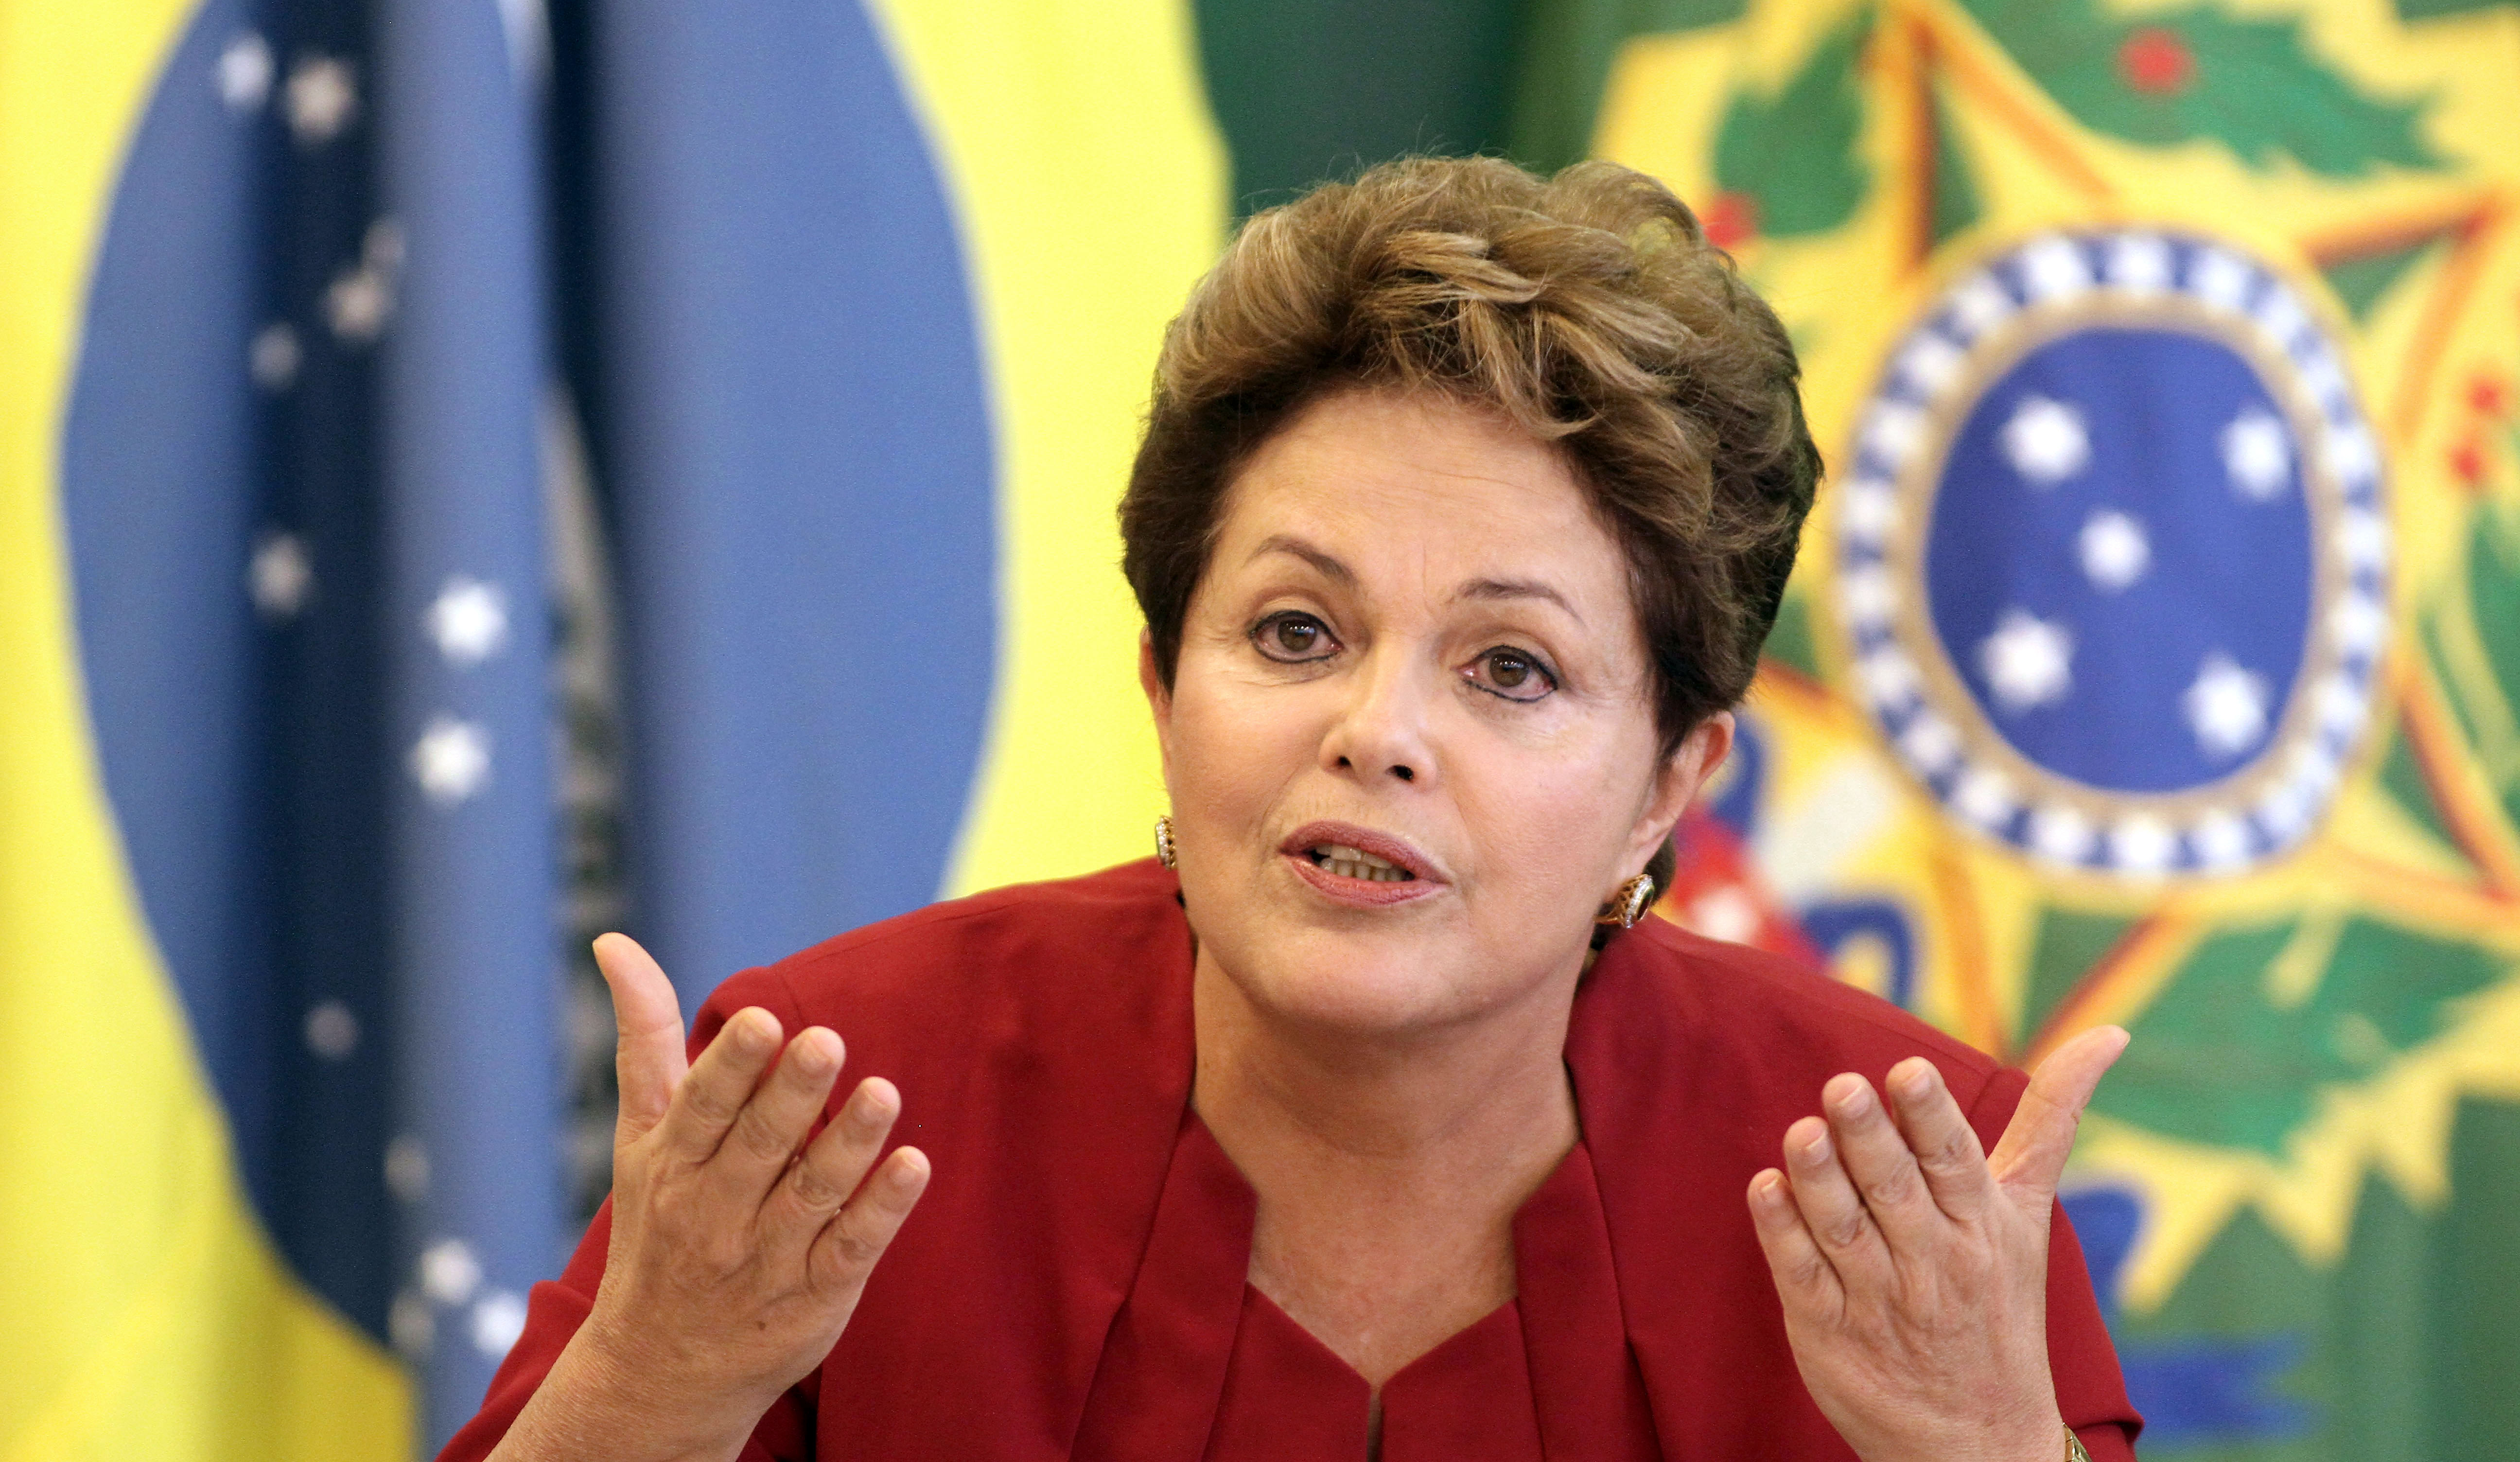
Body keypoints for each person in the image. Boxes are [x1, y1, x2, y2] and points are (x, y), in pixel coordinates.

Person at [444, 157, 2140, 1462]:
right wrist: (652, 1386)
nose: (1376, 733)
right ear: (1162, 688)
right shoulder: (846, 1103)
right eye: (1296, 633)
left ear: (1669, 787)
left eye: (1511, 669)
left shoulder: (1916, 1199)